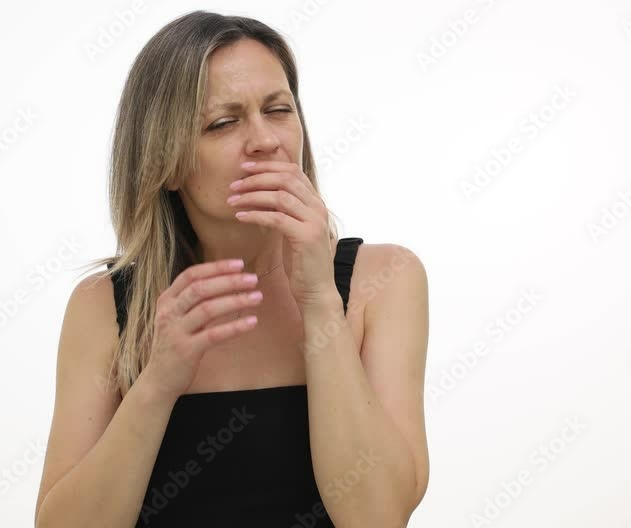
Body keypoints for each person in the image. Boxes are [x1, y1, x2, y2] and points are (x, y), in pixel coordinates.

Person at [34, 10, 429, 528]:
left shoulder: (384, 281)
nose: (266, 140)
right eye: (224, 122)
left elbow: (377, 517)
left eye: (279, 109)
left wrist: (318, 299)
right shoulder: (103, 306)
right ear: (166, 161)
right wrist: (157, 383)